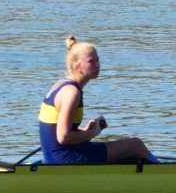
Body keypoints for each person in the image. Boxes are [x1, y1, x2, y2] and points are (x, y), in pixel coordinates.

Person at [39, 35, 154, 164]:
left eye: (98, 60)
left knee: (127, 152)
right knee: (135, 145)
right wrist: (93, 132)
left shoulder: (61, 85)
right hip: (64, 158)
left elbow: (58, 133)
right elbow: (63, 137)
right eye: (91, 61)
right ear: (77, 66)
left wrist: (85, 131)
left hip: (57, 155)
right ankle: (161, 170)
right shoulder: (71, 93)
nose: (97, 65)